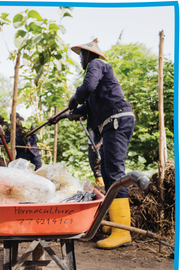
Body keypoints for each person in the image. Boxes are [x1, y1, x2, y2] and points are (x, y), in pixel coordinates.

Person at [49, 38, 135, 250]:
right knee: (107, 172)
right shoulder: (98, 86)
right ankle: (115, 224)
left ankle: (122, 232)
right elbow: (84, 108)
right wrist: (62, 116)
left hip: (117, 120)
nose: (80, 60)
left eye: (81, 56)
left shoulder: (97, 65)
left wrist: (74, 97)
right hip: (110, 123)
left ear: (88, 55)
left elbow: (85, 89)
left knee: (114, 172)